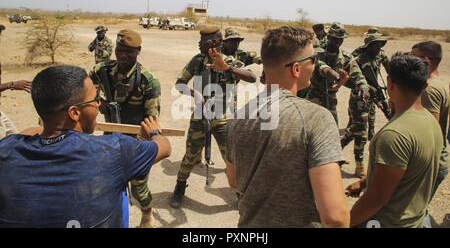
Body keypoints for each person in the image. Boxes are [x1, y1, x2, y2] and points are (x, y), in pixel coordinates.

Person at [0, 65, 171, 228]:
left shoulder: (6, 150)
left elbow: (29, 134)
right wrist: (155, 132)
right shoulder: (112, 151)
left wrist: (46, 128)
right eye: (95, 100)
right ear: (74, 113)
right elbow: (164, 147)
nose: (98, 105)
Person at [226, 26, 349, 228]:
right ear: (296, 69)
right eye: (313, 60)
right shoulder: (316, 118)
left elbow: (233, 180)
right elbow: (335, 217)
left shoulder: (239, 116)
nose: (316, 66)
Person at [346, 53, 442, 228]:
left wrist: (343, 224)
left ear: (390, 84)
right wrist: (363, 183)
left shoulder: (394, 134)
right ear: (425, 85)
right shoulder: (431, 121)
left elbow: (376, 199)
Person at [169, 27, 257, 209]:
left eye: (203, 41)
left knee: (231, 159)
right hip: (200, 118)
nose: (199, 43)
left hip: (224, 120)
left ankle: (241, 192)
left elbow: (252, 77)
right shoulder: (198, 61)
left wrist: (228, 68)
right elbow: (179, 84)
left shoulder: (230, 60)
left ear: (215, 43)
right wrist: (194, 94)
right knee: (190, 155)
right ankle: (179, 187)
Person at [89, 29, 161, 227]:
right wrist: (100, 104)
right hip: (110, 133)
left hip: (136, 137)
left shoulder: (148, 80)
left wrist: (143, 146)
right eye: (119, 50)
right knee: (105, 179)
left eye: (128, 52)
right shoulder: (101, 70)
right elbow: (87, 93)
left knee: (138, 187)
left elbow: (152, 118)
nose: (122, 55)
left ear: (138, 51)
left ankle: (147, 213)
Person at [341, 29, 391, 178]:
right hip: (358, 99)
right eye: (375, 45)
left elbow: (391, 70)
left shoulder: (380, 55)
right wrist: (362, 86)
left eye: (380, 45)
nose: (378, 48)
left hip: (374, 96)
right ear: (368, 46)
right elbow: (344, 80)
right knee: (361, 132)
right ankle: (359, 166)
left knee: (355, 128)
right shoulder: (357, 60)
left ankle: (335, 149)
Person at [307, 23, 369, 125]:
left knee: (332, 128)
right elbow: (318, 63)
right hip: (314, 93)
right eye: (335, 39)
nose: (338, 42)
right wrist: (332, 73)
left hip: (331, 97)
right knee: (310, 125)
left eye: (341, 39)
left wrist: (364, 86)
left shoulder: (345, 57)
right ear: (329, 36)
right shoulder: (317, 49)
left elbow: (357, 73)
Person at [411, 41, 449, 196]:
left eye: (412, 57)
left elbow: (428, 134)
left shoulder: (429, 89)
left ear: (425, 60)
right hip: (434, 161)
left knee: (414, 212)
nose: (409, 60)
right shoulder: (438, 83)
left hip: (428, 164)